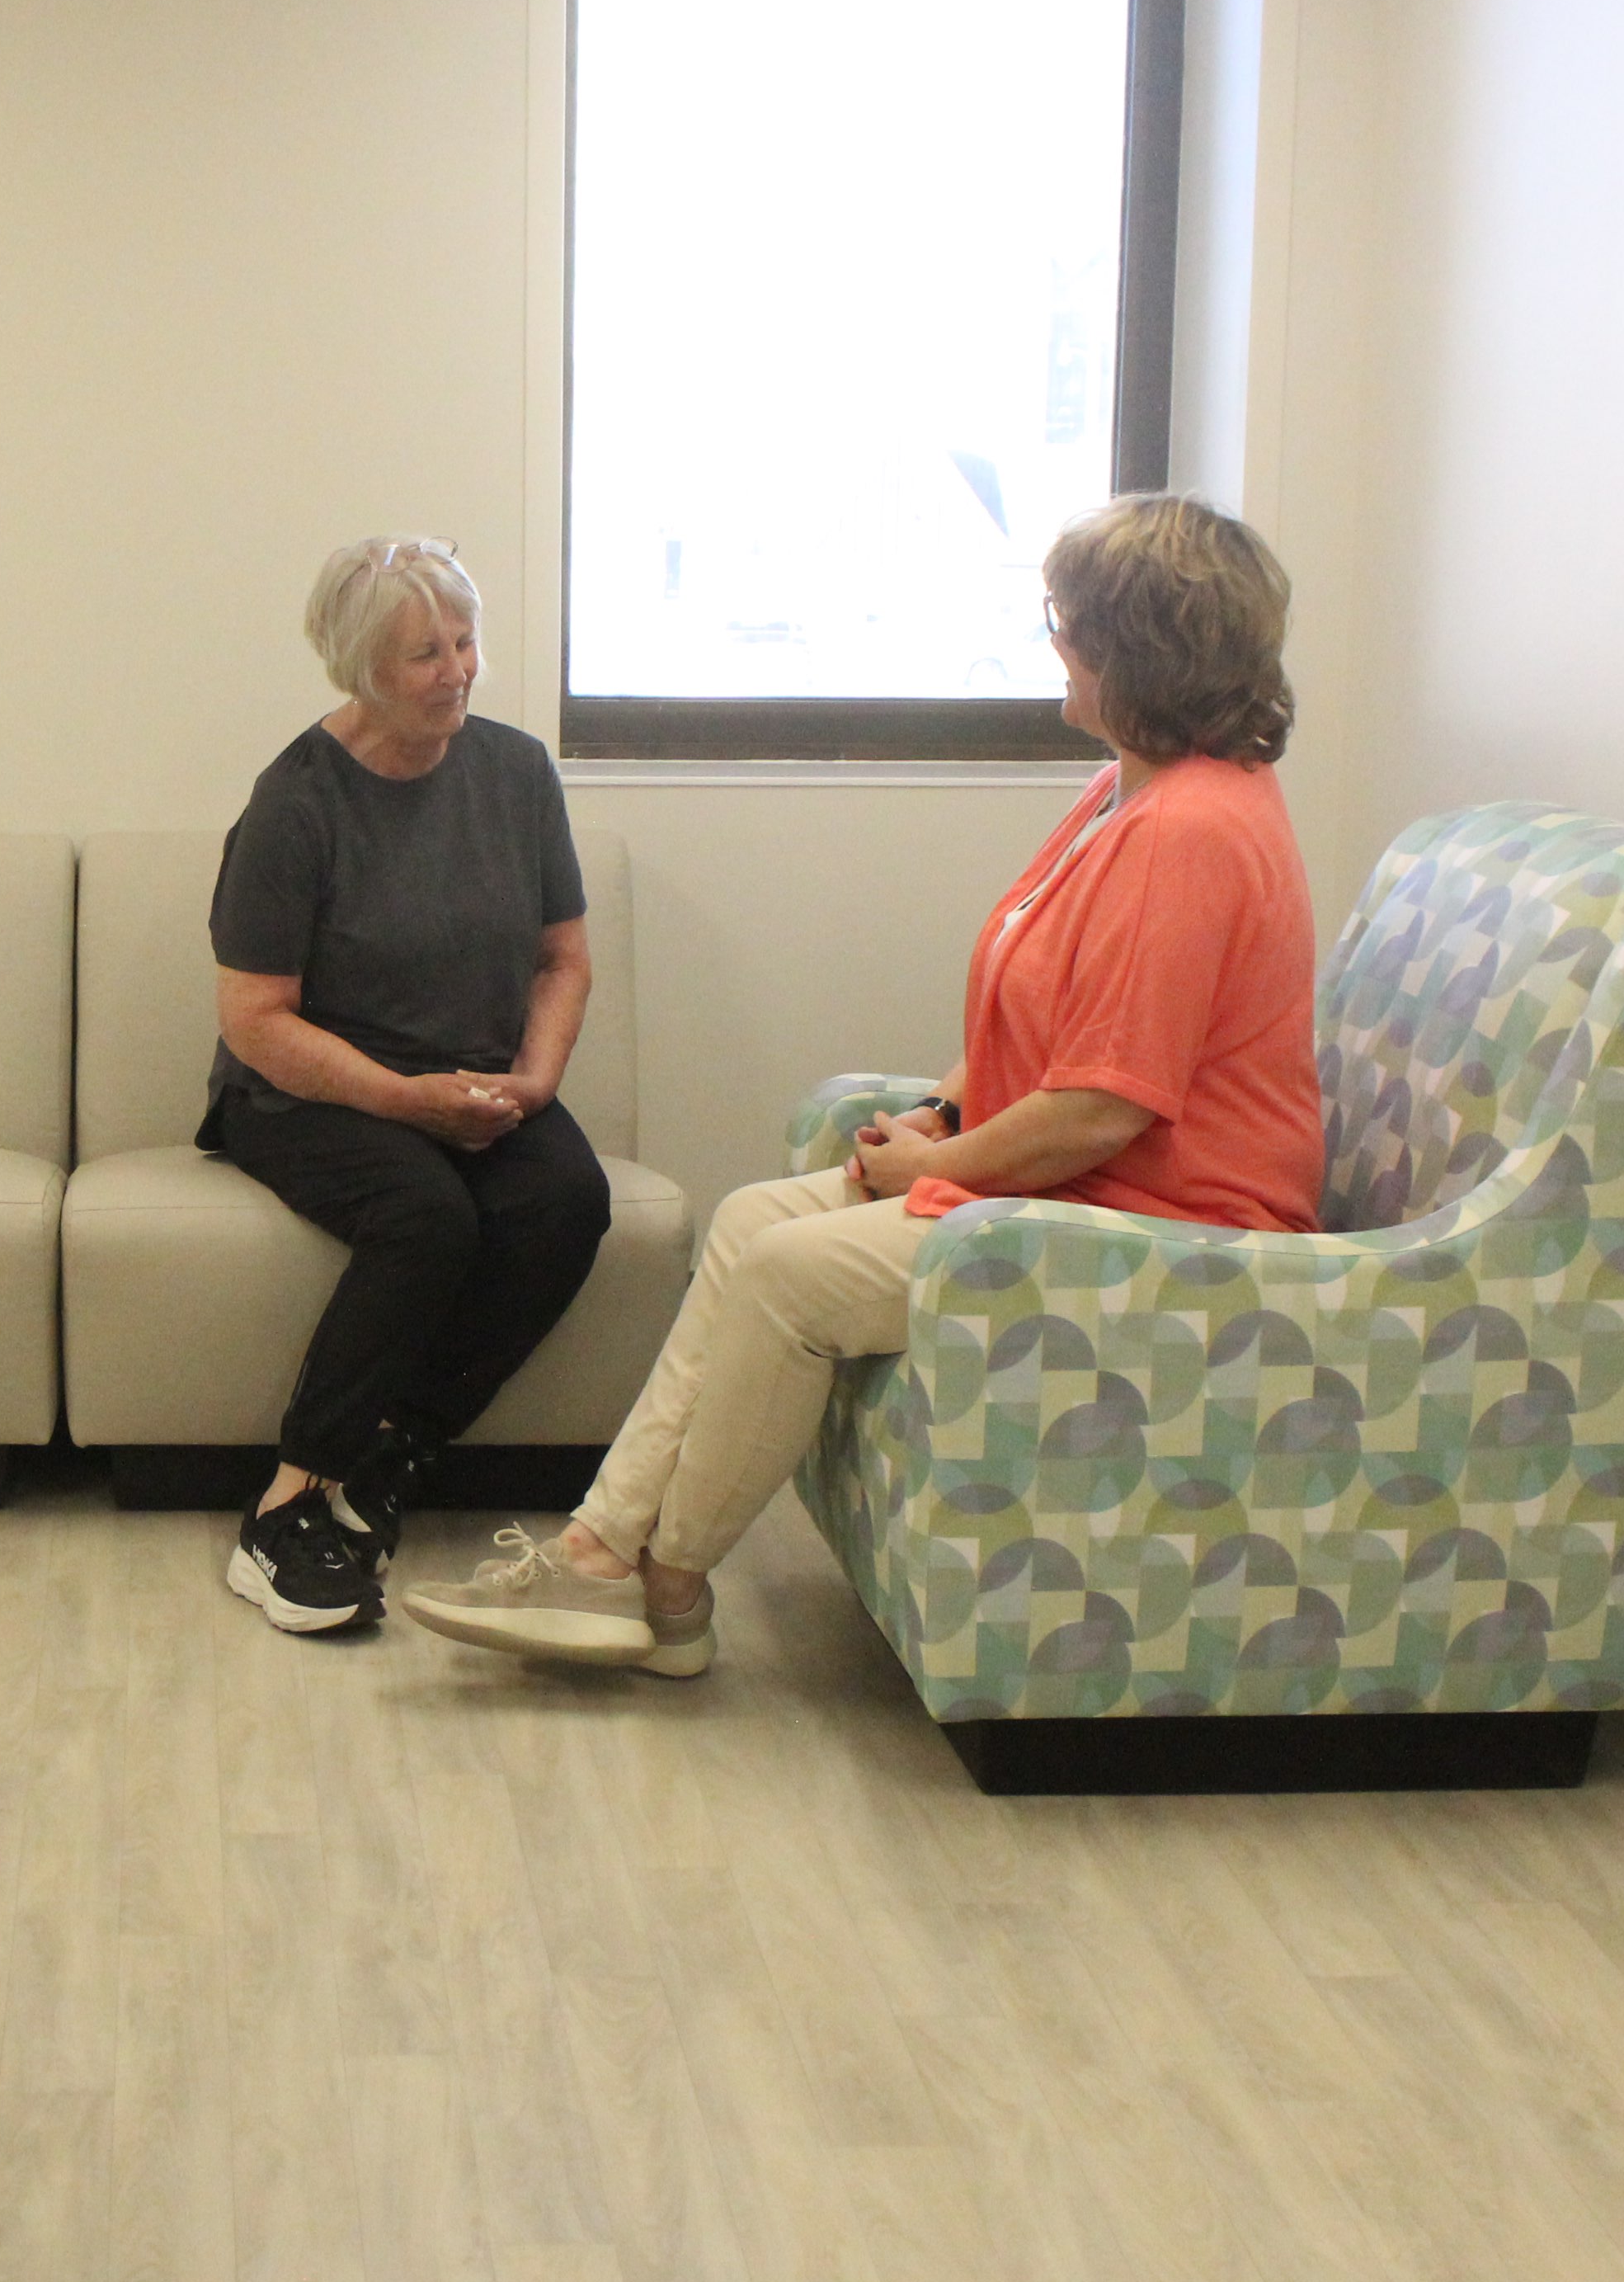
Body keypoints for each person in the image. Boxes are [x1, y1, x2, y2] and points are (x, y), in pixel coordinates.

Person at [402, 494, 1324, 1674]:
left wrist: (936, 1169)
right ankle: (600, 1558)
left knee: (791, 1278)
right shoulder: (1123, 794)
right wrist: (941, 1111)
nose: (1052, 640)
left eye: (1064, 618)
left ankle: (667, 1586)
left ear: (1130, 646)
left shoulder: (1191, 830)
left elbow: (1104, 1105)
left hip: (1167, 1221)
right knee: (750, 1221)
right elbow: (1036, 1024)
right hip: (1091, 1183)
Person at [209, 537, 612, 1635]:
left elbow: (562, 958)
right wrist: (404, 1101)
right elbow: (255, 1019)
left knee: (568, 1200)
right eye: (423, 654)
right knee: (427, 1217)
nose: (458, 670)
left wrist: (530, 1085)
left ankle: (391, 1457)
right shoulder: (295, 804)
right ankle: (288, 1503)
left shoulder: (518, 773)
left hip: (481, 1080)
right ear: (360, 671)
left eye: (464, 641)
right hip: (312, 1093)